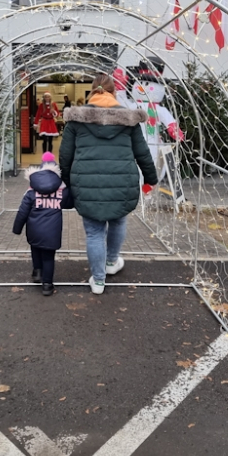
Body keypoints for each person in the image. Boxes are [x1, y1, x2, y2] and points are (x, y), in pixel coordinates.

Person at [59, 73, 158, 295]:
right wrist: (151, 178)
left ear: (92, 92)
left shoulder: (76, 119)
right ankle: (112, 262)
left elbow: (65, 155)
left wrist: (68, 180)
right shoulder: (130, 119)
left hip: (86, 180)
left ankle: (99, 280)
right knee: (118, 220)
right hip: (122, 180)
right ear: (114, 92)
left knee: (94, 232)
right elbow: (142, 153)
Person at [12, 151, 73, 296]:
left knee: (35, 250)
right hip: (52, 231)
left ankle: (37, 272)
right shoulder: (61, 191)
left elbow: (22, 212)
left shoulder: (31, 191)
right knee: (48, 257)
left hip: (34, 229)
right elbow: (70, 204)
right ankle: (47, 285)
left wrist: (17, 228)